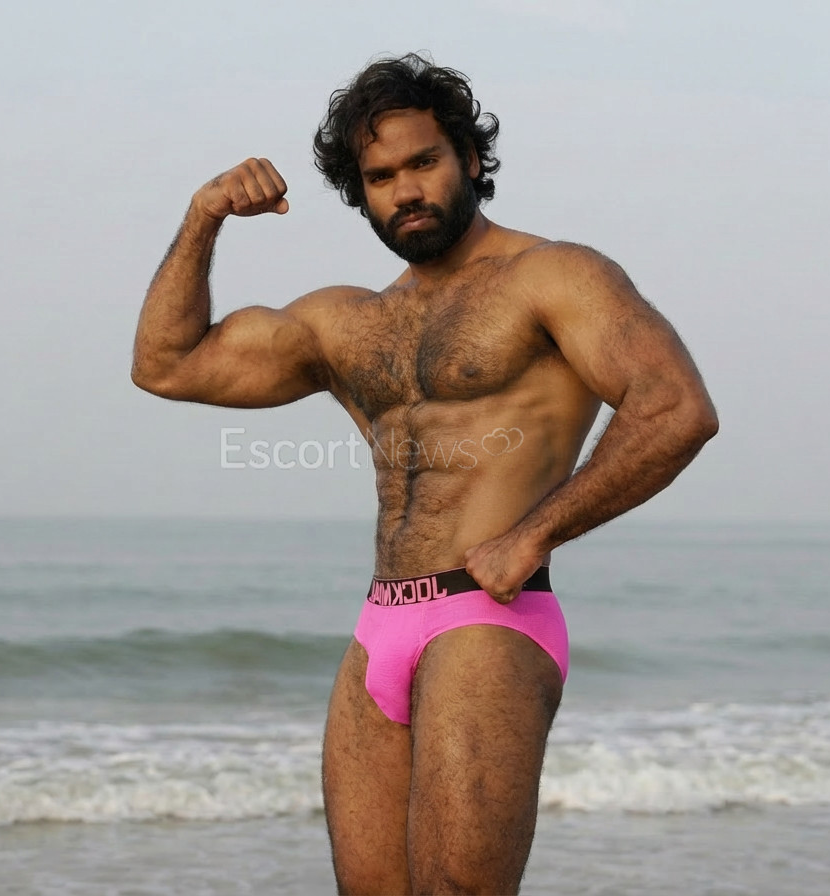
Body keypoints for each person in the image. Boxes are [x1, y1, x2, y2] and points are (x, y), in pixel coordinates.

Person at [132, 53, 718, 895]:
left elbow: (676, 407)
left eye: (424, 162)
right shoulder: (348, 321)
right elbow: (166, 364)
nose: (406, 190)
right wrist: (204, 215)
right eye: (381, 177)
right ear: (359, 192)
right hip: (379, 627)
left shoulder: (552, 276)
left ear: (469, 159)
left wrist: (534, 535)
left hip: (488, 620)